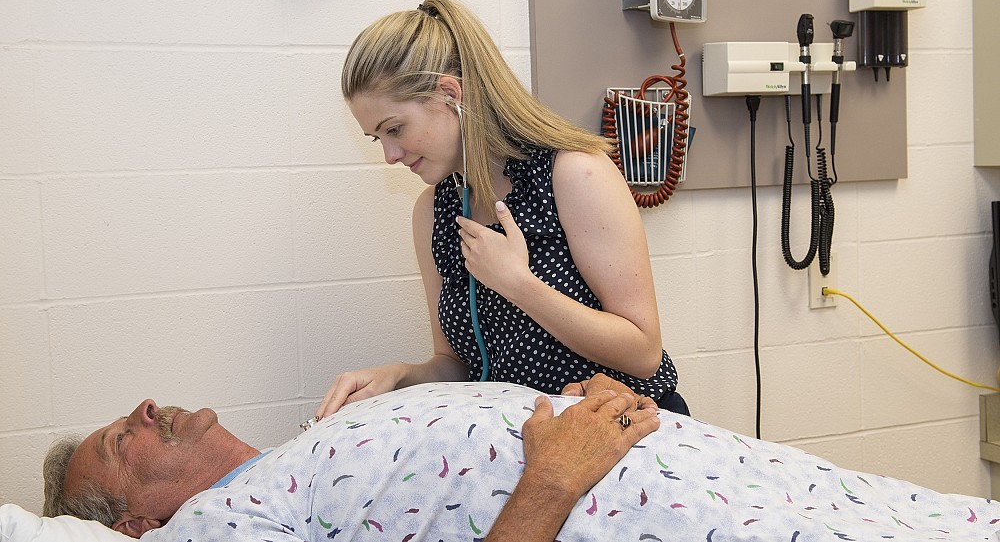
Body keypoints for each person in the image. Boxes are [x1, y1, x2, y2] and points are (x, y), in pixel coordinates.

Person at [41, 376, 999, 542]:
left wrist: (583, 407)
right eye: (117, 442)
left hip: (687, 463)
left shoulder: (303, 450)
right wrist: (553, 470)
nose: (139, 411)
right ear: (137, 523)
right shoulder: (217, 526)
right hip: (621, 502)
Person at [318, 0, 683, 419]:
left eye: (395, 129)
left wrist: (519, 285)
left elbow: (643, 353)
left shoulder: (575, 175)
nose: (390, 155)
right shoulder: (432, 214)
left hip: (621, 429)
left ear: (449, 94)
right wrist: (400, 377)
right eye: (377, 139)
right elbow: (457, 365)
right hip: (521, 442)